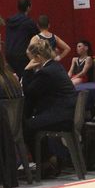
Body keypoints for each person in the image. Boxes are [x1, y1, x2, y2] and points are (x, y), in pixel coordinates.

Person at [22, 38, 77, 175]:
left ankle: (45, 163)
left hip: (60, 116)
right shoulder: (56, 66)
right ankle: (49, 159)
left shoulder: (45, 72)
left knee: (26, 126)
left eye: (31, 59)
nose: (30, 61)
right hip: (67, 113)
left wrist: (27, 70)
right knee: (33, 122)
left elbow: (29, 91)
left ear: (37, 57)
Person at [5, 0, 39, 78]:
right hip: (22, 55)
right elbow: (37, 36)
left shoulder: (10, 21)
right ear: (28, 7)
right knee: (27, 78)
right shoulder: (29, 22)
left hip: (9, 54)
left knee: (16, 79)